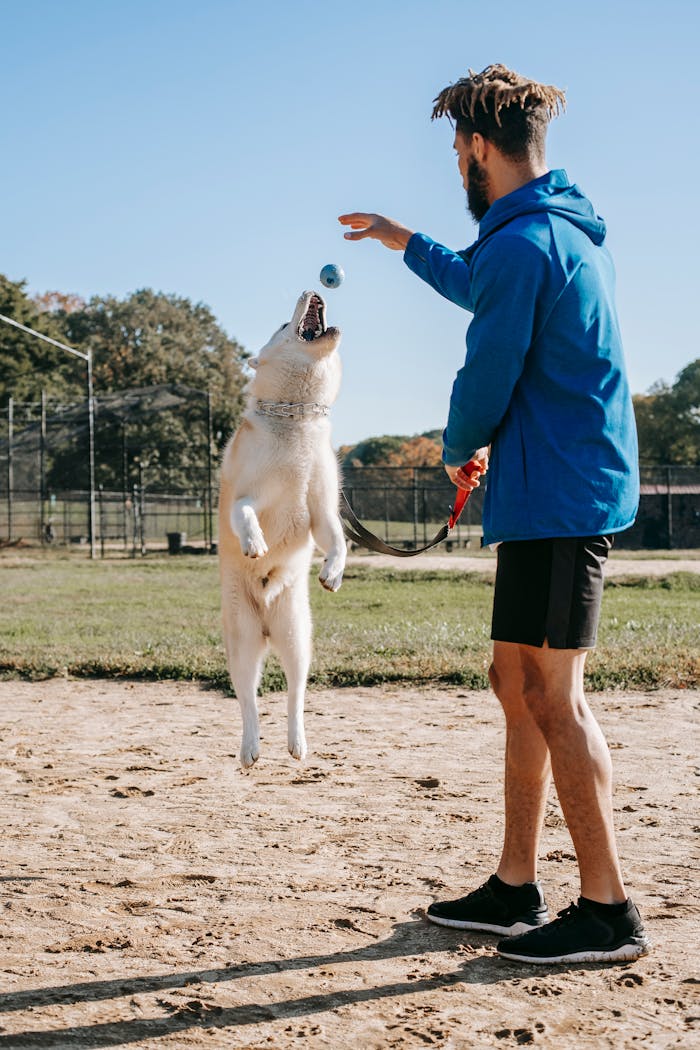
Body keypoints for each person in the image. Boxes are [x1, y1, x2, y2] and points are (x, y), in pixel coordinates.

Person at [339, 63, 650, 965]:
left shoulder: (527, 245)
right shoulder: (542, 234)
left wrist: (455, 440)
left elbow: (487, 368)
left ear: (478, 148)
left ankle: (609, 910)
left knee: (556, 698)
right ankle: (516, 884)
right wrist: (405, 241)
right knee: (515, 685)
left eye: (455, 150)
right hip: (541, 492)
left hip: (559, 498)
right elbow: (482, 281)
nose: (455, 165)